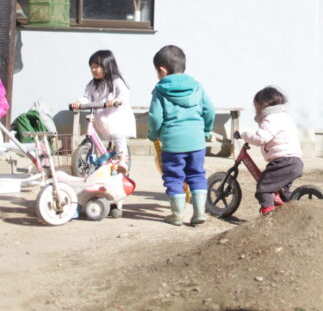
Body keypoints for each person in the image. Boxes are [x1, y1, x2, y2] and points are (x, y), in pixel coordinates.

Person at [147, 45, 215, 226]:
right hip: (197, 142)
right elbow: (209, 110)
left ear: (162, 70)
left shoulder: (160, 90)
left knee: (174, 177)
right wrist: (206, 130)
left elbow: (155, 117)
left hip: (172, 143)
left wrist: (154, 134)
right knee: (197, 174)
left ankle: (177, 215)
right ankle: (199, 212)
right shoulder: (197, 86)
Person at [236, 86, 303, 215]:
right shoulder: (285, 117)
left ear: (264, 105)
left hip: (283, 162)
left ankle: (268, 218)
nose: (255, 111)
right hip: (295, 161)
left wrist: (243, 134)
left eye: (256, 107)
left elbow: (260, 138)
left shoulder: (271, 118)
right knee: (283, 192)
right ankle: (289, 213)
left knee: (263, 189)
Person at [71, 50, 135, 165]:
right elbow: (86, 97)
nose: (93, 70)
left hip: (115, 116)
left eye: (97, 67)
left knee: (118, 134)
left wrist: (117, 100)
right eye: (91, 67)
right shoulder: (92, 84)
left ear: (107, 66)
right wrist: (78, 103)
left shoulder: (116, 81)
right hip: (100, 117)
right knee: (93, 134)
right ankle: (94, 157)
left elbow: (124, 93)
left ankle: (123, 160)